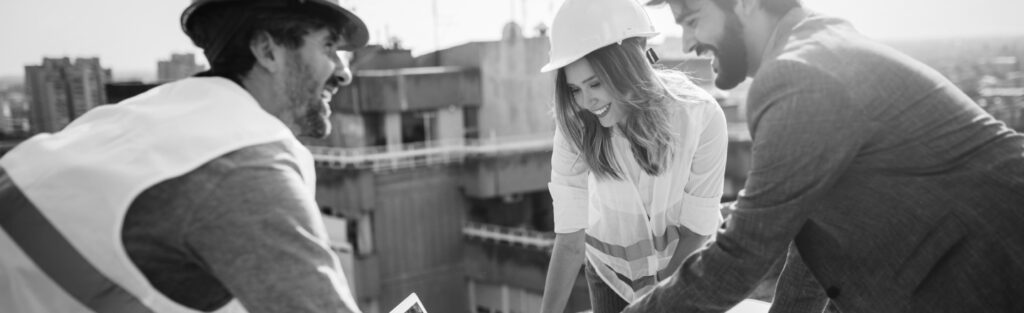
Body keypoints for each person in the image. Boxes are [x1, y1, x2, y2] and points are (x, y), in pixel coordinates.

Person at [623, 0, 1024, 312]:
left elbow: (744, 253)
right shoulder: (817, 43)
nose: (688, 42)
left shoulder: (795, 74)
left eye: (692, 19)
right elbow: (812, 237)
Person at [0, 0, 370, 312]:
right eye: (328, 47)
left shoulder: (150, 116)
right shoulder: (244, 164)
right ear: (267, 50)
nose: (345, 73)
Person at [536, 0, 729, 312]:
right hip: (610, 273)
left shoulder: (701, 117)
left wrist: (655, 303)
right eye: (575, 89)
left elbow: (696, 232)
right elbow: (570, 243)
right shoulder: (575, 125)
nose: (586, 102)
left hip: (687, 264)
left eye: (595, 83)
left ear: (629, 63)